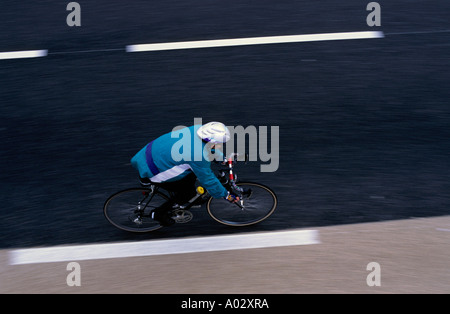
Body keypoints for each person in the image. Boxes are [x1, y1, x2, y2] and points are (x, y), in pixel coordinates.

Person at [130, 121, 240, 226]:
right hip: (152, 172)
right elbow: (208, 179)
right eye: (220, 143)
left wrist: (223, 159)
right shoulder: (198, 156)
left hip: (146, 155)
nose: (220, 145)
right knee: (188, 193)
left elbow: (205, 146)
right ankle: (159, 213)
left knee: (193, 169)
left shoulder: (197, 129)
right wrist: (227, 195)